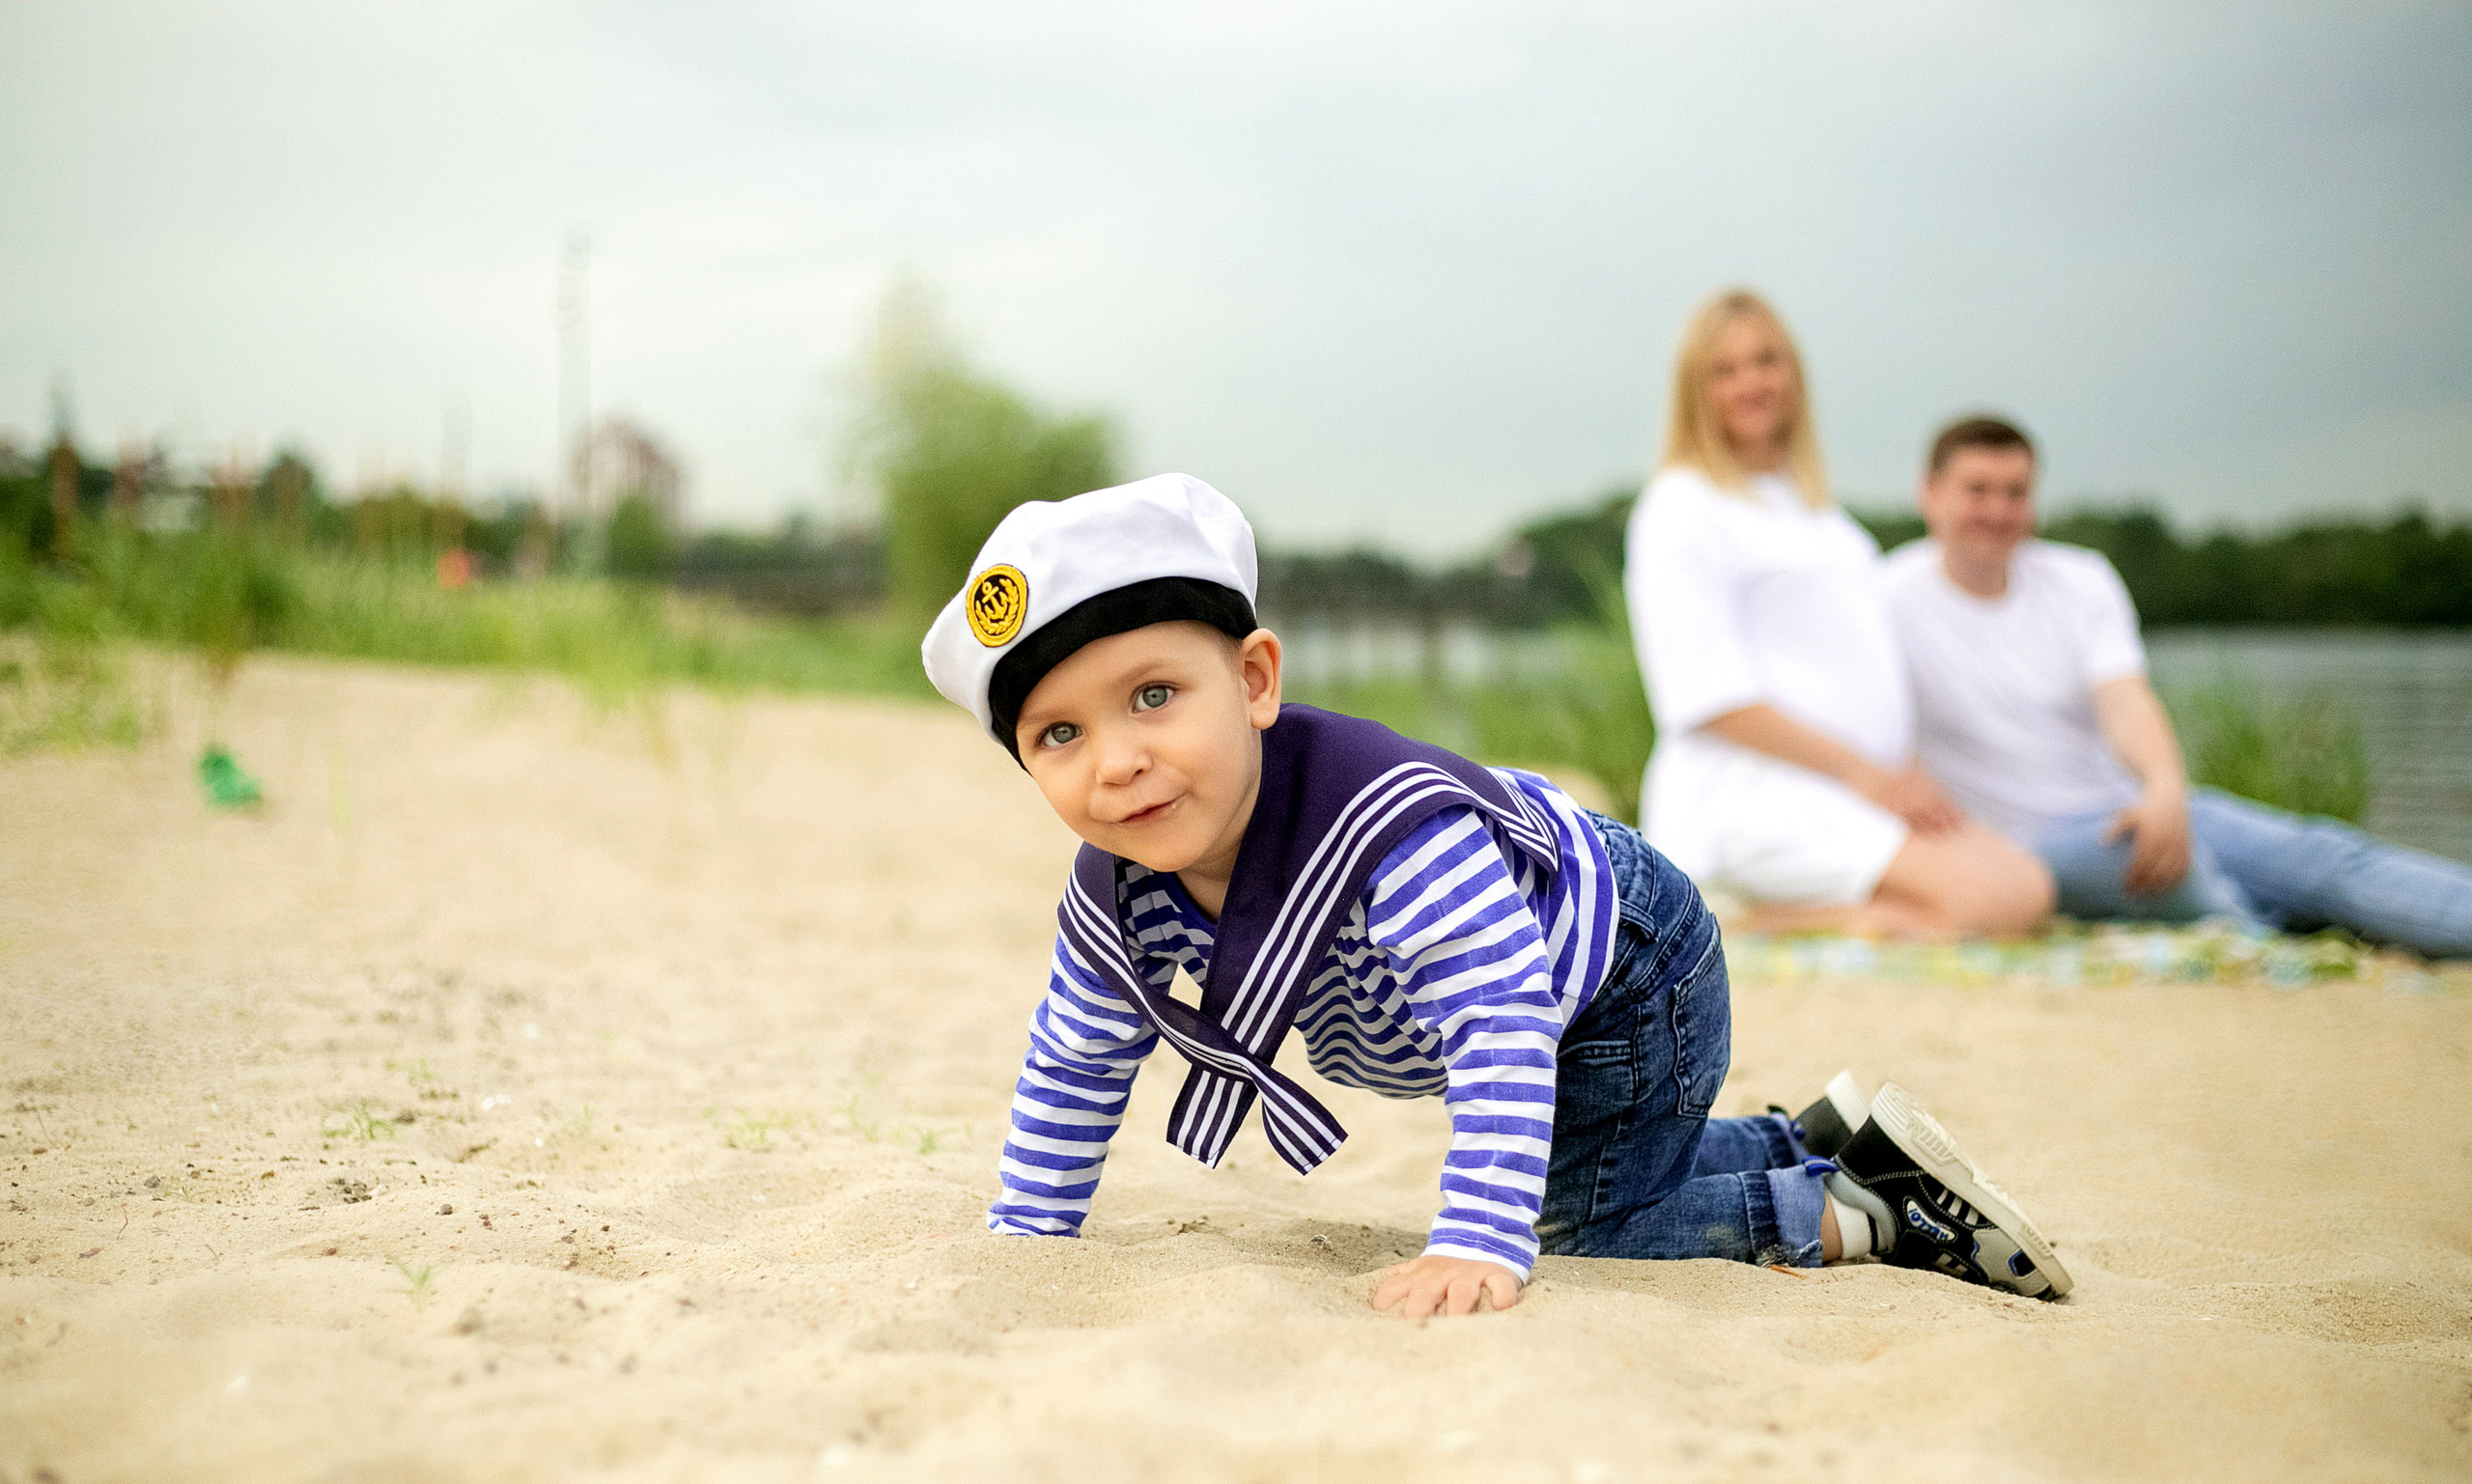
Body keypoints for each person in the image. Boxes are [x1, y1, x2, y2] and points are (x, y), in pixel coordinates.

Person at [920, 472, 2072, 1320]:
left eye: (1153, 696)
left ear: (1256, 681)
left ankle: (1862, 1211)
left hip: (1617, 966)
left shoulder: (1388, 831)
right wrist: (1031, 1230)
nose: (1113, 759)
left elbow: (1499, 1019)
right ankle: (1798, 1136)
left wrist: (1477, 1238)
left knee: (1580, 1220)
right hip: (1562, 976)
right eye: (1058, 733)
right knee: (1604, 1159)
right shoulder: (1122, 891)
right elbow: (1076, 1057)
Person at [1882, 414, 2472, 959]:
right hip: (2023, 849)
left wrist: (2165, 790)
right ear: (1928, 494)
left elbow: (2126, 702)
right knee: (2186, 880)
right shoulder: (1885, 597)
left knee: (2322, 853)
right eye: (1977, 490)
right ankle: (2277, 938)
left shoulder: (2081, 579)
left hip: (2125, 809)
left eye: (2016, 493)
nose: (1998, 510)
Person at [1623, 291, 2053, 938]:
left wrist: (1894, 776)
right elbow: (1706, 695)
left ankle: (1821, 913)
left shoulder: (1821, 516)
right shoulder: (1682, 508)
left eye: (1766, 361)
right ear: (1696, 390)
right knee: (1991, 902)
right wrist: (1867, 775)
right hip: (1753, 793)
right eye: (1726, 369)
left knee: (2027, 882)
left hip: (1848, 792)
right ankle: (1745, 920)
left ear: (1793, 373)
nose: (1752, 382)